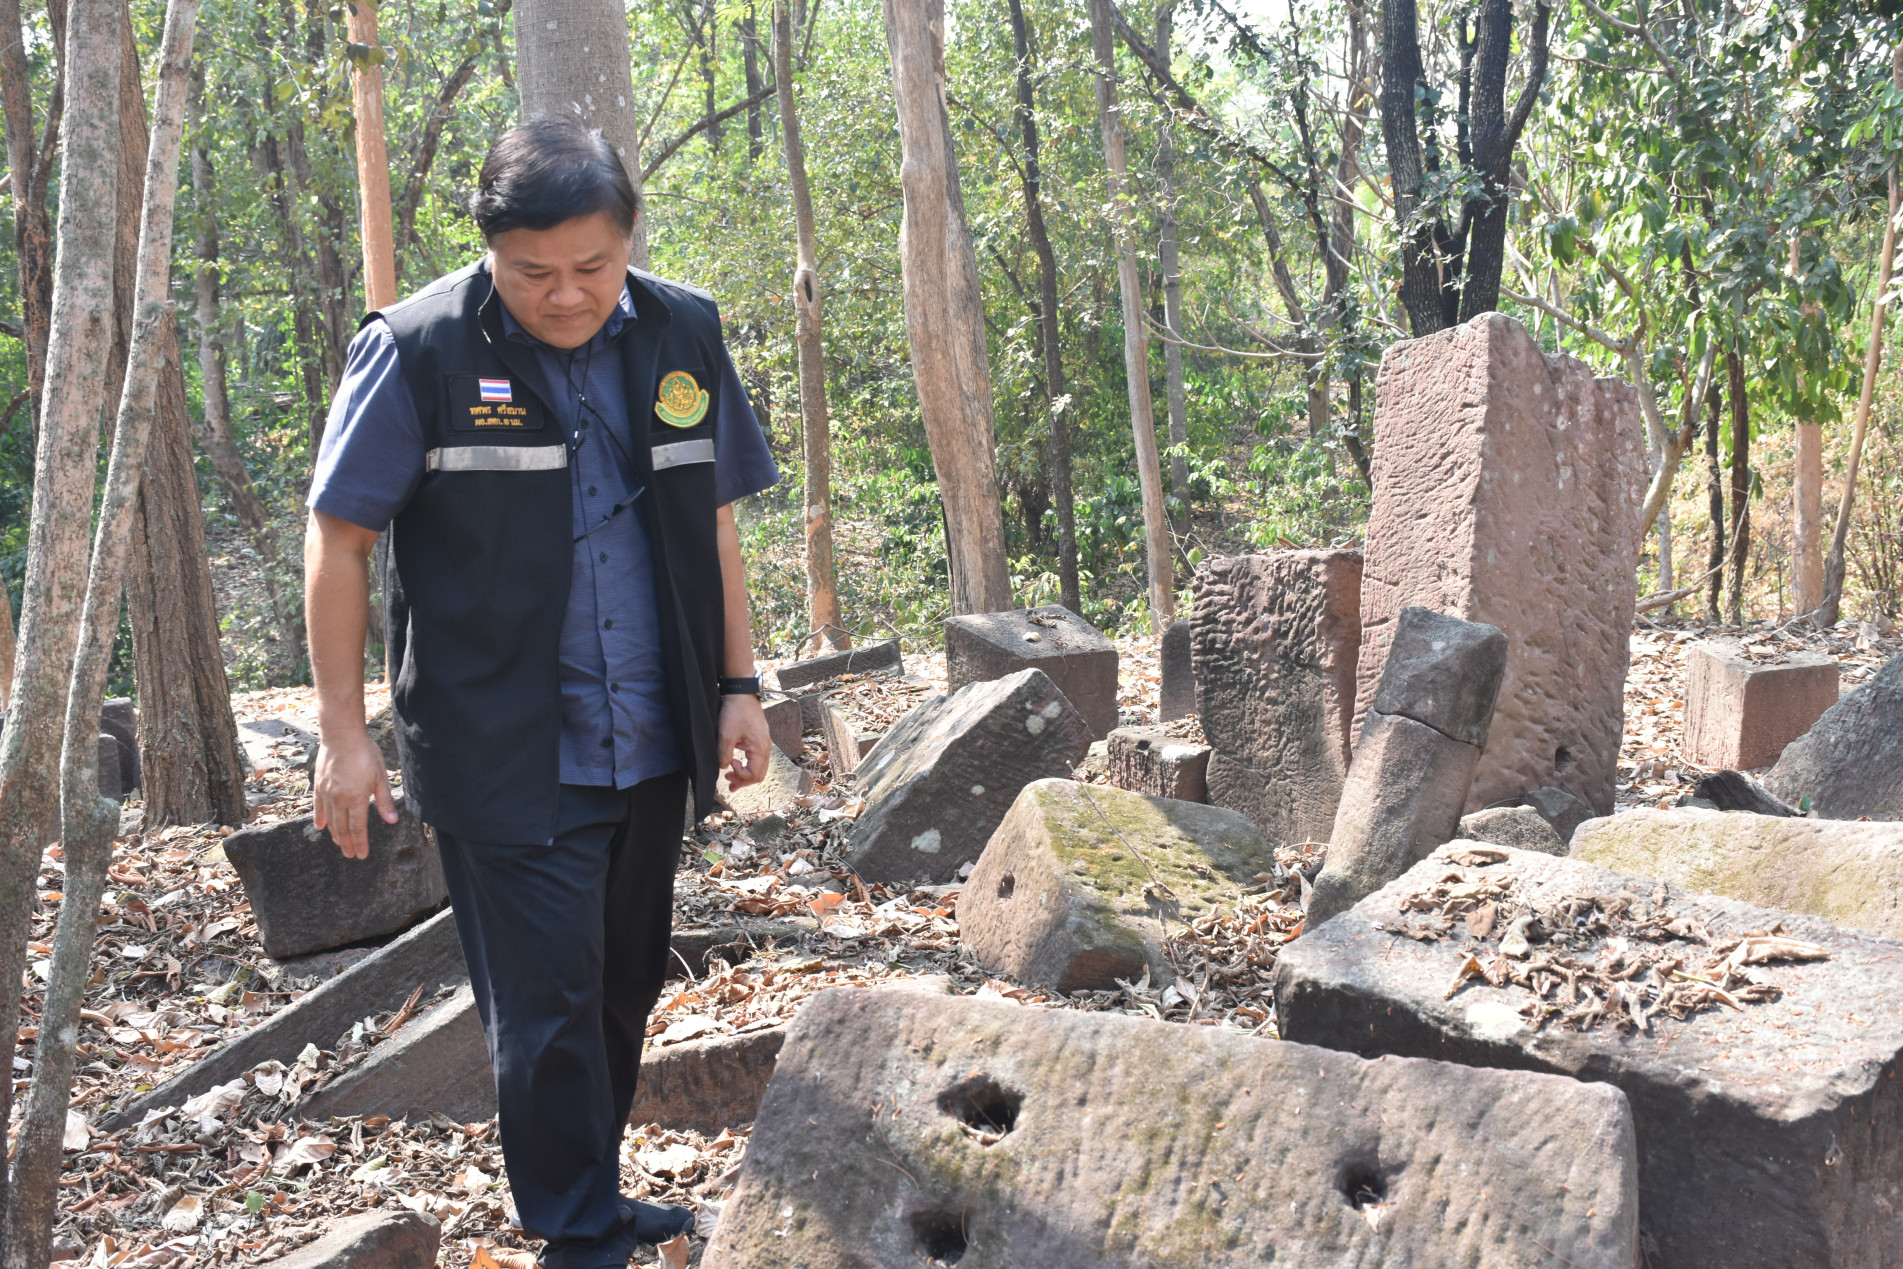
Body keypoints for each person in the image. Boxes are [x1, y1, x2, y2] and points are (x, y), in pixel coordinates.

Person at [303, 118, 775, 1268]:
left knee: (618, 984)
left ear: (627, 245)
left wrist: (738, 686)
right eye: (533, 274)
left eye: (590, 268)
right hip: (501, 736)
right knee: (544, 1001)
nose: (564, 296)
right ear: (489, 252)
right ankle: (573, 1234)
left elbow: (710, 521)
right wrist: (341, 733)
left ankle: (595, 1201)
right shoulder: (414, 349)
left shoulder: (680, 330)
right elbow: (339, 540)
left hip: (651, 726)